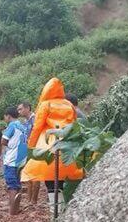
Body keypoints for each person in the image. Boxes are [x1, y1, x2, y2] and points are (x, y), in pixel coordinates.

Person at [21, 78, 84, 213]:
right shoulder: (69, 104)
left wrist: (31, 146)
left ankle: (55, 213)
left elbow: (37, 127)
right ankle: (62, 210)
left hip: (48, 143)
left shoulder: (45, 105)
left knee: (50, 180)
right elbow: (74, 125)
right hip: (67, 144)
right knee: (61, 179)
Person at [2, 107, 28, 215]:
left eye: (5, 117)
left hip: (11, 160)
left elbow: (3, 141)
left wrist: (10, 146)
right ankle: (16, 209)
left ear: (8, 116)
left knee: (12, 186)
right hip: (20, 160)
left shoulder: (12, 126)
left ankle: (12, 212)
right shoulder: (23, 126)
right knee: (17, 185)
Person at [18, 101, 40, 205]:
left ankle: (34, 201)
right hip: (28, 150)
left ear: (27, 108)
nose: (19, 111)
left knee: (35, 176)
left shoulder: (35, 119)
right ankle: (29, 200)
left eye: (20, 109)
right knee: (29, 175)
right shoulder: (26, 122)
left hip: (35, 150)